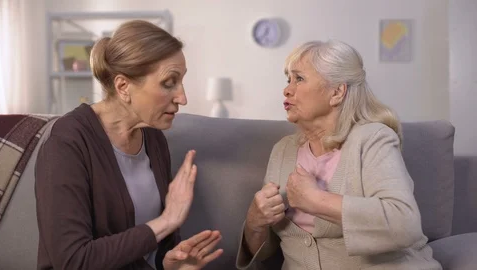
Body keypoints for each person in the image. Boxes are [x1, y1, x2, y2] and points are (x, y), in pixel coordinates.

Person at [236, 40, 442, 269]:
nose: (287, 89)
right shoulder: (283, 150)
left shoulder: (373, 139)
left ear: (336, 92)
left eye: (299, 79)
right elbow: (263, 253)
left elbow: (404, 223)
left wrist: (314, 200)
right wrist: (255, 221)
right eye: (288, 80)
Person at [35, 20, 223, 270]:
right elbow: (73, 261)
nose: (183, 97)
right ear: (123, 86)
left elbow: (156, 246)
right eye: (169, 82)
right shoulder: (67, 142)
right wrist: (167, 220)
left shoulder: (153, 138)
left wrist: (169, 263)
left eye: (181, 81)